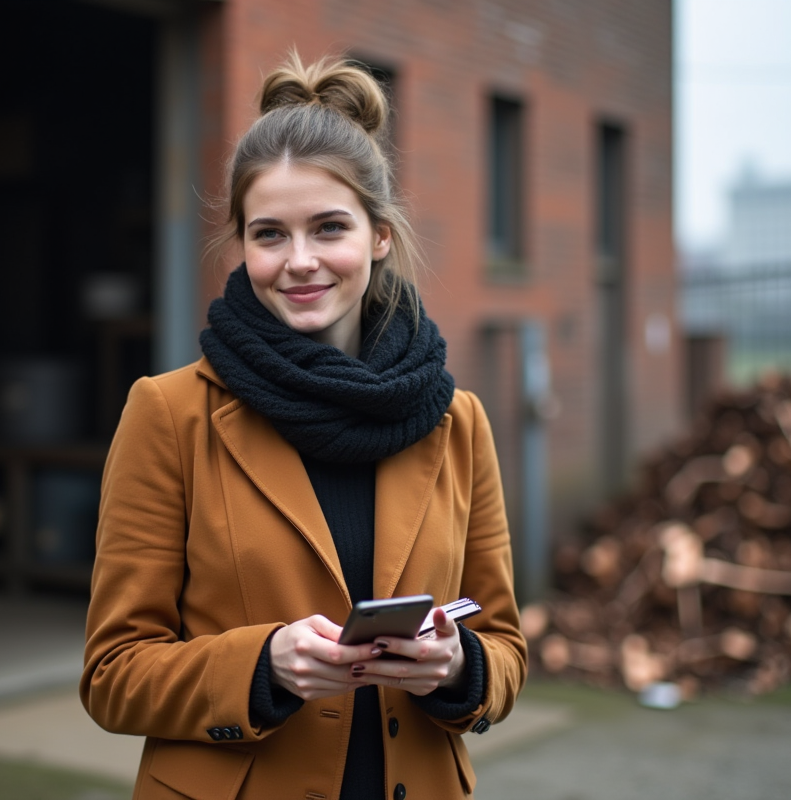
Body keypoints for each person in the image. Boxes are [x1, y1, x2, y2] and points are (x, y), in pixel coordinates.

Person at [81, 51, 527, 800]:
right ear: (242, 245)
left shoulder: (458, 422)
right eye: (269, 235)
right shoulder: (170, 414)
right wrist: (262, 666)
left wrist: (458, 667)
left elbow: (507, 645)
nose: (299, 262)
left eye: (328, 228)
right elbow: (113, 673)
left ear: (379, 236)